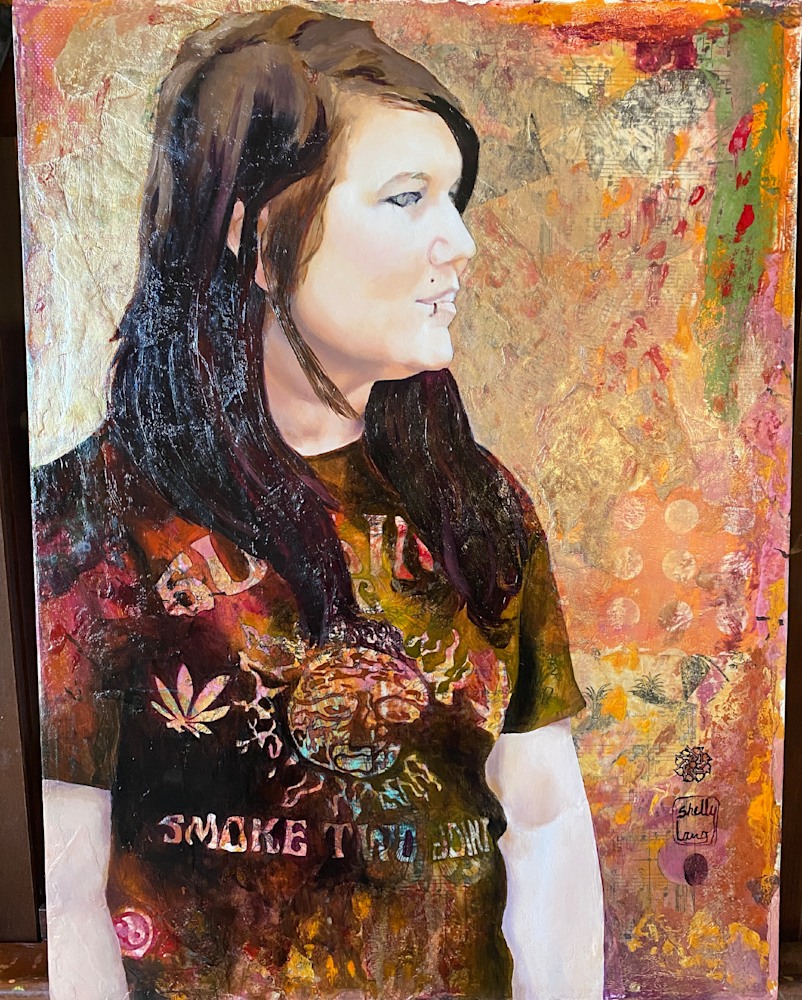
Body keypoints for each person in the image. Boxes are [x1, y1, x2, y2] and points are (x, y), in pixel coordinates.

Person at [35, 7, 604, 999]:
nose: (459, 242)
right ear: (258, 235)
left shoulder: (478, 505)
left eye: (454, 198)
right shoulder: (90, 516)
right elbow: (68, 881)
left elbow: (545, 821)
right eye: (406, 198)